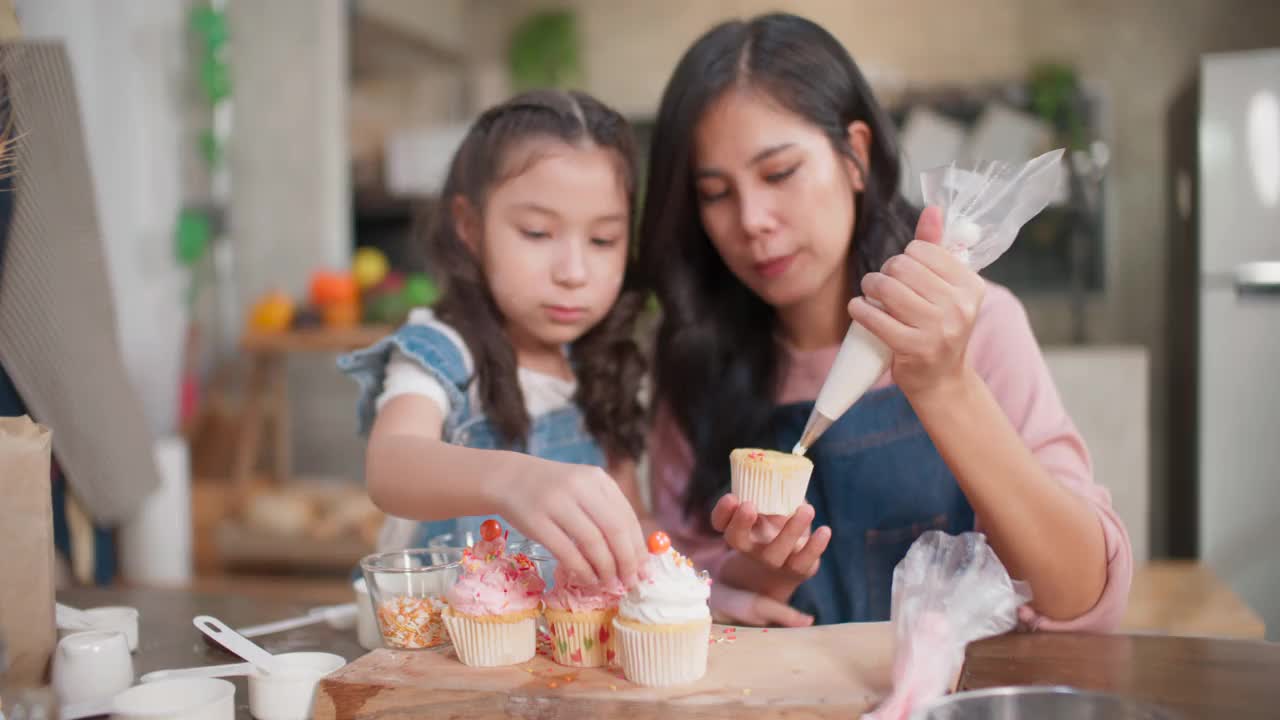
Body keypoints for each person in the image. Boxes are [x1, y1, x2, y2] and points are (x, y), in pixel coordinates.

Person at [639, 13, 1132, 629]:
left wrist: (945, 385)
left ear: (855, 156)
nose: (752, 219)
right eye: (715, 193)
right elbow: (679, 592)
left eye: (779, 173)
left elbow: (1083, 597)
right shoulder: (693, 358)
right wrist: (767, 568)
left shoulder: (978, 324)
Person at [340, 90, 650, 587]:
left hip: (558, 655)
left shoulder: (605, 365)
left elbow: (631, 529)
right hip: (437, 649)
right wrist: (515, 480)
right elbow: (390, 464)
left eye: (602, 240)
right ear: (470, 226)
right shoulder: (443, 351)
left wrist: (726, 575)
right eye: (536, 232)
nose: (573, 272)